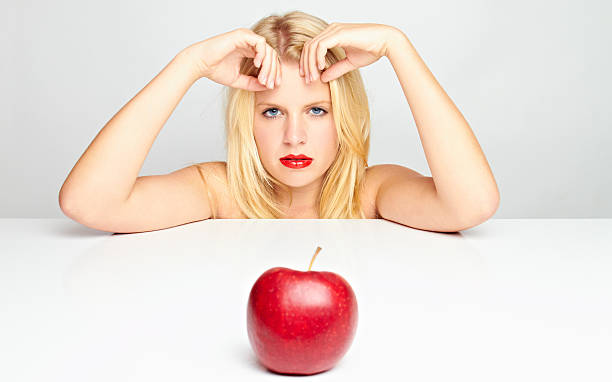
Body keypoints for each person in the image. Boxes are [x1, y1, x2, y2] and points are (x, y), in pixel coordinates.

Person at [59, 10, 500, 233]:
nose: (295, 137)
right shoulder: (220, 192)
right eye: (272, 111)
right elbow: (88, 204)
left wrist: (398, 47)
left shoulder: (371, 192)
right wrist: (187, 64)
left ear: (344, 115)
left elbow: (472, 205)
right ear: (246, 119)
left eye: (316, 110)